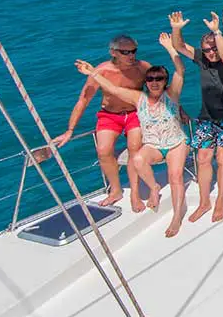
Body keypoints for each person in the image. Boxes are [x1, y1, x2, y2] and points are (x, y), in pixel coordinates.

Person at [75, 33, 191, 237]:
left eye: (159, 79)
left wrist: (170, 48)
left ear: (165, 82)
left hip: (175, 144)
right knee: (137, 159)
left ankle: (176, 218)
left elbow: (180, 71)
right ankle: (153, 187)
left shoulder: (171, 95)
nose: (155, 82)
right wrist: (92, 72)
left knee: (175, 177)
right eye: (151, 79)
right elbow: (112, 88)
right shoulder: (139, 98)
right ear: (145, 82)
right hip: (154, 145)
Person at [53, 35, 151, 208]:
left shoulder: (143, 68)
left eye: (133, 51)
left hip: (135, 113)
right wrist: (70, 130)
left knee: (134, 148)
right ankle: (115, 190)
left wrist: (176, 110)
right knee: (103, 150)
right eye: (125, 52)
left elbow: (160, 90)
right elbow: (84, 99)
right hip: (109, 115)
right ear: (113, 52)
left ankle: (135, 194)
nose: (131, 55)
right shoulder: (101, 71)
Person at [169, 9, 223, 224]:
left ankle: (220, 200)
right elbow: (179, 46)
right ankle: (204, 202)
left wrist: (217, 30)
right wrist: (176, 29)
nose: (211, 52)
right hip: (207, 118)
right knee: (202, 158)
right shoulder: (202, 59)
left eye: (213, 49)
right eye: (207, 49)